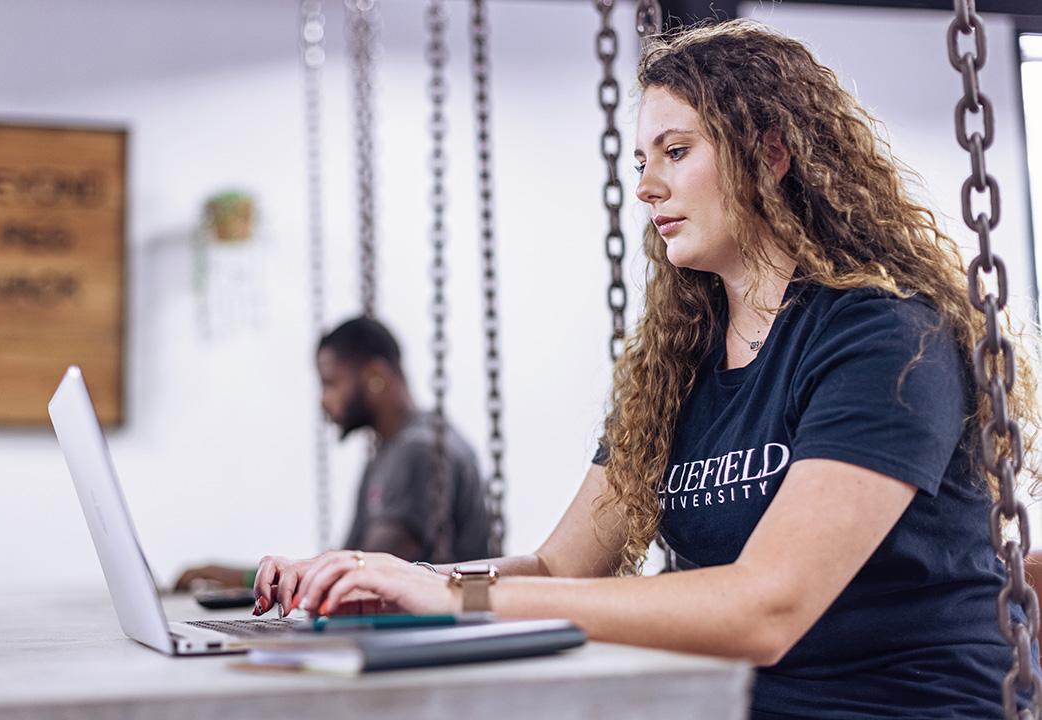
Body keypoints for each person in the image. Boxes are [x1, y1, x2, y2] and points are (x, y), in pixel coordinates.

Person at [248, 20, 1042, 719]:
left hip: (902, 705)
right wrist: (393, 579)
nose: (646, 185)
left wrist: (451, 601)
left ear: (770, 154)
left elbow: (765, 608)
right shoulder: (681, 357)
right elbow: (559, 566)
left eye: (676, 150)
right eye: (641, 158)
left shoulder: (889, 336)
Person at [175, 316, 491, 591]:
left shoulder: (417, 452)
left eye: (331, 383)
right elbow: (348, 561)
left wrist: (251, 578)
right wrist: (242, 577)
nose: (323, 400)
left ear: (375, 376)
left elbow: (360, 572)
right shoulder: (389, 451)